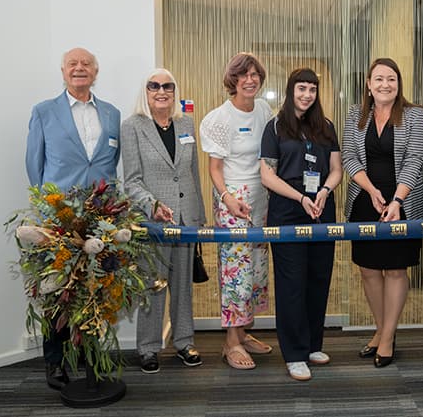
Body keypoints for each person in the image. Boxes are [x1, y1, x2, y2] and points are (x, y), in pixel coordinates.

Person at [25, 47, 120, 390]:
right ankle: (55, 362)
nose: (79, 69)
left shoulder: (111, 113)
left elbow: (108, 161)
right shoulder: (44, 112)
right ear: (63, 72)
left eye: (86, 64)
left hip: (100, 213)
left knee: (96, 286)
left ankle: (91, 358)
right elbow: (34, 165)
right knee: (56, 289)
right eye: (72, 64)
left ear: (96, 72)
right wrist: (46, 207)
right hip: (59, 214)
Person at [342, 57, 423, 368]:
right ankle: (381, 330)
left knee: (395, 269)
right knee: (368, 269)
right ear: (368, 84)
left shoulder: (416, 115)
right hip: (365, 201)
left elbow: (416, 160)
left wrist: (396, 200)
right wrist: (371, 191)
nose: (384, 84)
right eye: (378, 79)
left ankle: (389, 337)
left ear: (398, 83)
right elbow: (349, 157)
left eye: (391, 79)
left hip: (402, 204)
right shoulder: (355, 115)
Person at [259, 68, 343, 381]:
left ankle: (311, 345)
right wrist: (300, 198)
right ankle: (294, 354)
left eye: (312, 89)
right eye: (301, 89)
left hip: (321, 206)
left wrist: (322, 192)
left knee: (319, 277)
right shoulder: (276, 126)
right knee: (292, 283)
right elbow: (267, 174)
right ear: (290, 90)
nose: (307, 95)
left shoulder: (326, 126)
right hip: (288, 207)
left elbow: (336, 169)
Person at [121, 69, 206, 373]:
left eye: (167, 86)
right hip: (152, 222)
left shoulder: (186, 123)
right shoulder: (132, 127)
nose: (161, 91)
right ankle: (148, 347)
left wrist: (199, 219)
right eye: (154, 86)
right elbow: (130, 181)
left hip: (185, 220)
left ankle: (184, 341)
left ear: (175, 91)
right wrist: (152, 204)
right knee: (153, 286)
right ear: (145, 91)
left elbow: (192, 173)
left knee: (183, 286)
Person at [199, 52, 274, 370]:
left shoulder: (265, 110)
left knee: (256, 269)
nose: (250, 79)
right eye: (244, 74)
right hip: (233, 202)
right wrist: (228, 198)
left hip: (261, 199)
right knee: (236, 273)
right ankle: (230, 341)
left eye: (255, 74)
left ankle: (243, 332)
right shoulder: (219, 118)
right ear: (233, 79)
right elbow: (214, 168)